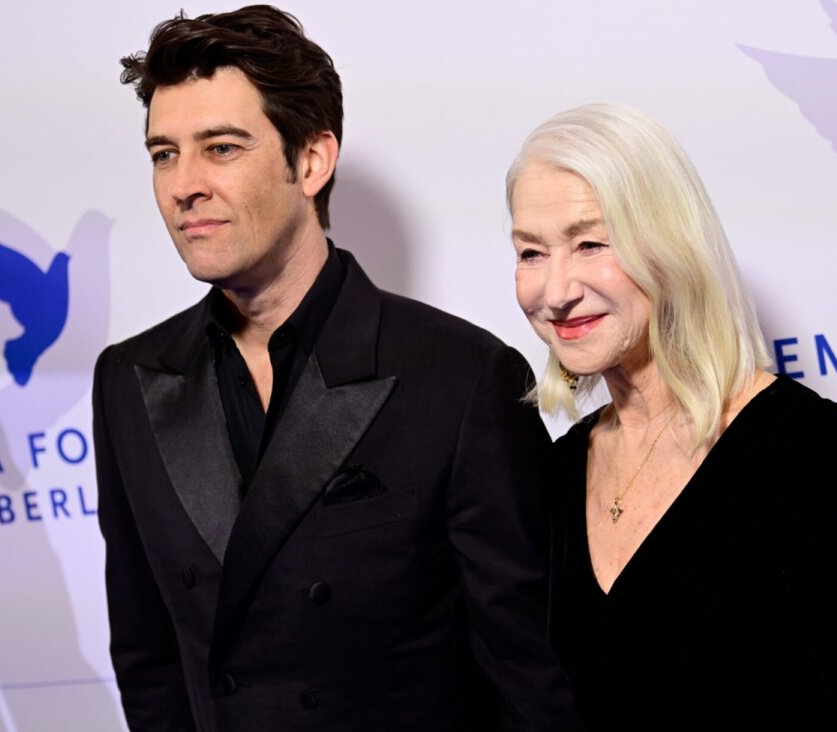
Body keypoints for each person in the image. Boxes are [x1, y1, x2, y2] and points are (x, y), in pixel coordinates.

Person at [92, 6, 576, 731]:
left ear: (312, 160)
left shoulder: (460, 378)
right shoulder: (128, 380)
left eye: (220, 148)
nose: (183, 185)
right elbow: (150, 662)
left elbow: (531, 678)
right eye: (164, 154)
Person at [505, 103, 837, 730]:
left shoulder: (801, 447)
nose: (555, 290)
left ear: (668, 243)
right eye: (531, 253)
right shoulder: (559, 469)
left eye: (591, 243)